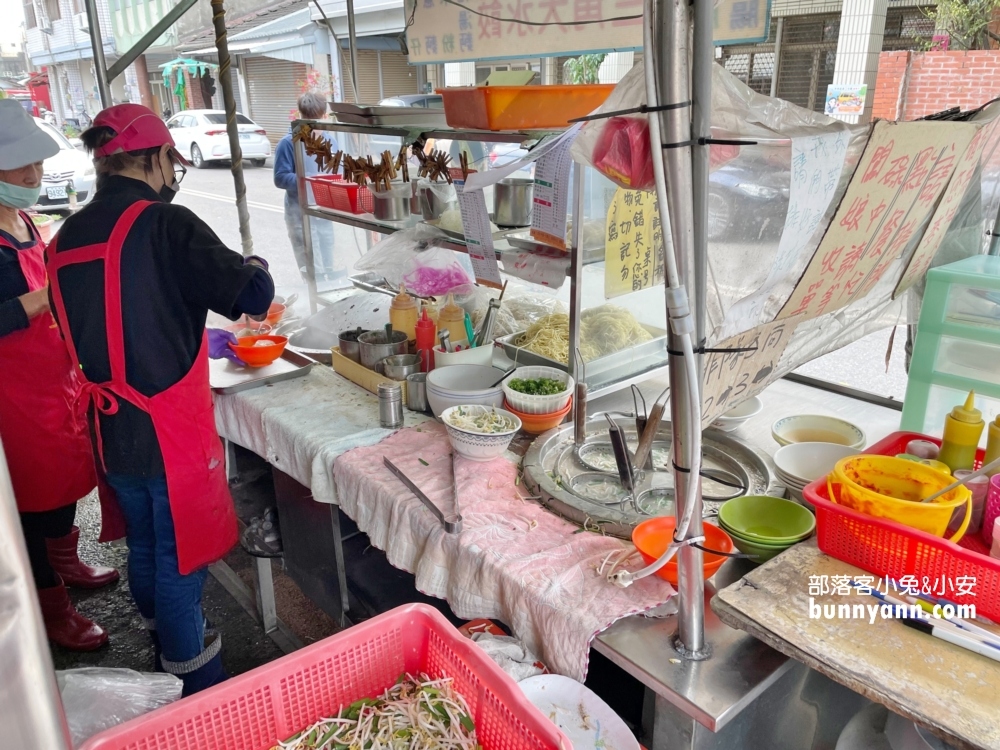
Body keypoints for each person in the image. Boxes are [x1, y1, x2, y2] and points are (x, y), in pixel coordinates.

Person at [46, 103, 275, 695]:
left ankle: (159, 643)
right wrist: (255, 262)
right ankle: (196, 685)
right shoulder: (166, 224)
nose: (173, 174)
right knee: (181, 559)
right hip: (166, 427)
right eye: (171, 161)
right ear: (152, 158)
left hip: (107, 425)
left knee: (146, 540)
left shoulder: (64, 236)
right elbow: (252, 295)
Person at [0, 100, 119, 652]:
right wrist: (48, 296)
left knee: (68, 482)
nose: (32, 175)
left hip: (55, 379)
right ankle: (50, 606)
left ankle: (64, 561)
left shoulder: (22, 219)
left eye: (36, 165)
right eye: (18, 166)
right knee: (31, 499)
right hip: (14, 396)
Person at [273, 92, 343, 286]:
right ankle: (313, 297)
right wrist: (311, 181)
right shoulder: (288, 143)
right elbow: (279, 178)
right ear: (302, 116)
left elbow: (340, 168)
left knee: (329, 257)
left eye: (319, 118)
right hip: (300, 213)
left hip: (324, 210)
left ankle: (331, 290)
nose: (317, 126)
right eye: (311, 120)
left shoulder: (330, 140)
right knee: (310, 264)